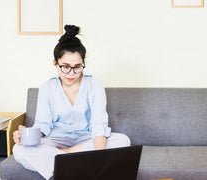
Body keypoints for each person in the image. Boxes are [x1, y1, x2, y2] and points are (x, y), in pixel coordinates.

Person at [13, 25, 131, 180]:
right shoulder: (47, 87)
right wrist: (26, 136)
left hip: (86, 140)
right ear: (55, 63)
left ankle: (65, 157)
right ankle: (71, 160)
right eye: (65, 67)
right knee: (19, 149)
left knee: (123, 140)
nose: (71, 73)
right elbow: (43, 125)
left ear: (83, 64)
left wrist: (98, 157)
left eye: (77, 67)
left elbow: (98, 126)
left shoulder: (94, 85)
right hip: (55, 140)